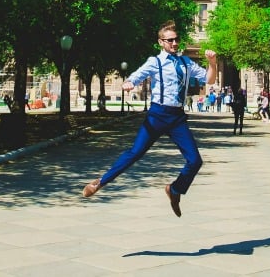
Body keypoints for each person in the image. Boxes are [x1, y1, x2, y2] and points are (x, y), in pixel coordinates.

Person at [82, 21, 218, 217]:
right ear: (161, 42)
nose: (174, 43)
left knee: (195, 161)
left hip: (177, 118)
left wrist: (212, 63)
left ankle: (174, 190)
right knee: (135, 153)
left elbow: (209, 80)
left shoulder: (186, 63)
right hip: (157, 115)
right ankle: (100, 182)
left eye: (176, 39)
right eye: (169, 40)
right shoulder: (155, 61)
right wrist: (129, 83)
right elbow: (136, 76)